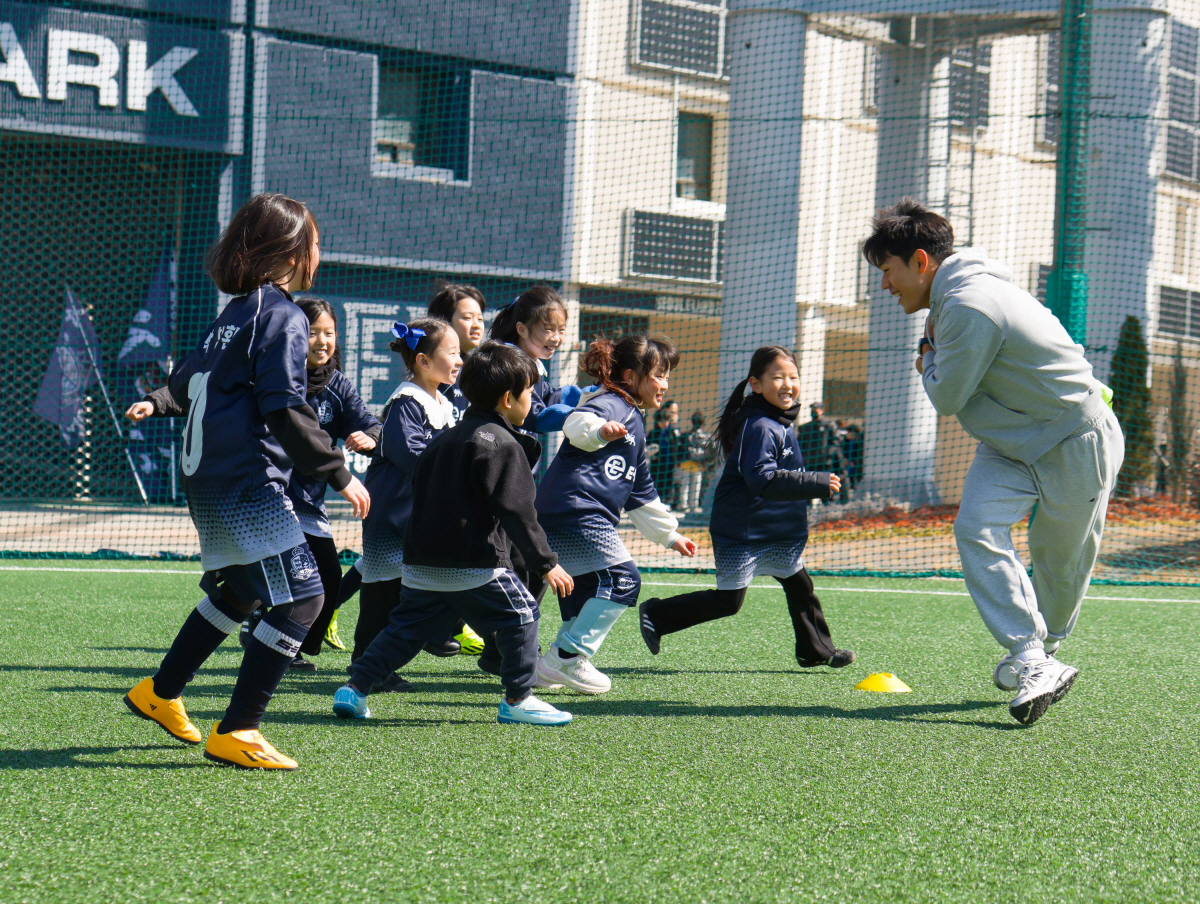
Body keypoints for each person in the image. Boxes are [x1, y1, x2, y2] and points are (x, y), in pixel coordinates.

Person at [121, 193, 370, 770]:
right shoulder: (281, 314)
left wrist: (156, 403)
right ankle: (238, 729)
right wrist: (336, 471)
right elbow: (284, 404)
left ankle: (159, 692)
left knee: (241, 593)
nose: (319, 250)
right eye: (313, 239)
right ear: (290, 250)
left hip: (206, 483)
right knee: (306, 597)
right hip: (246, 485)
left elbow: (186, 385)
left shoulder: (233, 314)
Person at [863, 198, 1123, 726]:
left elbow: (946, 396)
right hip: (1010, 445)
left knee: (1060, 563)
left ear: (919, 261)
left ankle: (1045, 654)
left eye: (887, 271)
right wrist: (934, 354)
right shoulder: (953, 301)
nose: (885, 285)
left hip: (1076, 438)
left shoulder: (969, 304)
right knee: (976, 527)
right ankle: (1031, 657)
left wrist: (929, 359)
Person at [332, 342, 575, 726]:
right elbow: (517, 512)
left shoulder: (442, 439)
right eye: (530, 393)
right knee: (524, 614)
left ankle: (356, 688)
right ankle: (518, 700)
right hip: (474, 563)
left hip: (421, 561)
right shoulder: (504, 445)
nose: (534, 401)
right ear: (509, 398)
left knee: (406, 630)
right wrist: (546, 563)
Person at [131, 297, 382, 667]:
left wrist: (371, 437)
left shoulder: (337, 388)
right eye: (313, 333)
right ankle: (245, 686)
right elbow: (200, 387)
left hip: (309, 505)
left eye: (329, 333)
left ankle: (267, 654)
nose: (322, 341)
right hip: (266, 497)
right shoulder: (269, 372)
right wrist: (156, 401)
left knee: (320, 582)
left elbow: (369, 422)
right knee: (277, 588)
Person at [638, 347, 855, 667]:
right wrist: (814, 483)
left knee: (800, 586)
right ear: (755, 384)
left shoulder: (778, 421)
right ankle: (657, 614)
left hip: (772, 528)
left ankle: (814, 650)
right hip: (743, 530)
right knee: (729, 602)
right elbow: (762, 479)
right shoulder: (761, 426)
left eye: (793, 377)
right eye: (777, 377)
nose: (787, 384)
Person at [533, 335, 698, 694]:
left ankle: (553, 666)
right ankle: (566, 657)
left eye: (668, 376)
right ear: (630, 375)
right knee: (625, 580)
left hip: (561, 512)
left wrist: (670, 534)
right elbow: (578, 422)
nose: (665, 384)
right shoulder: (614, 404)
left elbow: (640, 489)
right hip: (578, 508)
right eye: (659, 374)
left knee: (586, 585)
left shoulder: (634, 420)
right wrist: (599, 430)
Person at [354, 317, 462, 690]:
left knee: (423, 582)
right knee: (382, 590)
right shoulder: (406, 401)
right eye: (452, 352)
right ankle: (366, 663)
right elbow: (409, 453)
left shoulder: (441, 402)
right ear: (423, 361)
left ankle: (433, 633)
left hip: (418, 513)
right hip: (391, 510)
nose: (460, 359)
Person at [427, 282, 490, 656]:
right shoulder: (435, 379)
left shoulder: (475, 370)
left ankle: (451, 625)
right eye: (466, 317)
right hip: (425, 487)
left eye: (480, 317)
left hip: (453, 484)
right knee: (383, 563)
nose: (477, 324)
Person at [797, 401, 848, 503]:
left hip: (824, 462)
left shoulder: (829, 425)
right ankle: (809, 506)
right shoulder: (805, 427)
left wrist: (828, 453)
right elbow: (800, 444)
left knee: (825, 487)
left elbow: (835, 442)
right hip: (810, 462)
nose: (814, 412)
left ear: (822, 410)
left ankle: (827, 505)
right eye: (812, 410)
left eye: (816, 409)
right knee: (809, 486)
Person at [677, 410, 713, 514]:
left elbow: (679, 449)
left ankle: (683, 505)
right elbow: (708, 453)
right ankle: (693, 506)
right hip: (698, 465)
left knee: (685, 486)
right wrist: (705, 464)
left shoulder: (686, 436)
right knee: (695, 487)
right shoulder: (705, 437)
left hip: (686, 464)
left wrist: (679, 462)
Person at [647, 401, 682, 508]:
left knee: (669, 483)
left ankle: (668, 501)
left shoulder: (673, 433)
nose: (663, 423)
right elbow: (648, 446)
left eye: (666, 421)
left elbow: (677, 447)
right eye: (661, 421)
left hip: (670, 463)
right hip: (657, 464)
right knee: (657, 483)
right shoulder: (653, 433)